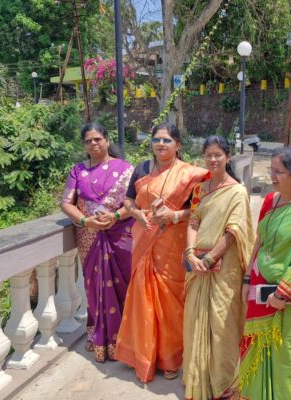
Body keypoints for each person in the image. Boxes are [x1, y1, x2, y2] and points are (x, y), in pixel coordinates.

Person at [115, 123, 209, 382]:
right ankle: (143, 355)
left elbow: (202, 209)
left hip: (173, 245)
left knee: (171, 303)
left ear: (178, 145)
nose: (161, 144)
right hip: (144, 240)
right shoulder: (142, 169)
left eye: (167, 140)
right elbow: (128, 200)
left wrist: (174, 215)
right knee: (143, 298)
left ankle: (170, 359)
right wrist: (136, 213)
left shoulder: (190, 175)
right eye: (157, 139)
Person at [238, 147, 291, 400]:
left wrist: (282, 293)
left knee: (288, 357)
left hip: (290, 299)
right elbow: (259, 241)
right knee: (256, 352)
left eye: (278, 172)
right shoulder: (270, 200)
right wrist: (247, 278)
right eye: (271, 170)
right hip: (259, 290)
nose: (272, 177)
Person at [182, 136, 254, 400]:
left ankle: (225, 384)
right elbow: (193, 222)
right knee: (195, 320)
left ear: (228, 157)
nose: (212, 160)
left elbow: (234, 231)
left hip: (224, 267)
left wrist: (210, 259)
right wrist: (191, 254)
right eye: (208, 155)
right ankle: (198, 381)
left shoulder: (237, 191)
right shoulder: (200, 190)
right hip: (198, 266)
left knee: (223, 324)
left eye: (218, 155)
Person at [61, 122, 134, 363]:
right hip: (89, 236)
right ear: (84, 145)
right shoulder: (77, 171)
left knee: (124, 286)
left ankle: (126, 341)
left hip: (120, 235)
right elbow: (66, 203)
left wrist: (114, 216)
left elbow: (134, 203)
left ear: (107, 141)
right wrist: (85, 221)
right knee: (94, 288)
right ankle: (101, 339)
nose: (93, 143)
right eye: (88, 140)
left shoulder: (125, 169)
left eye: (97, 139)